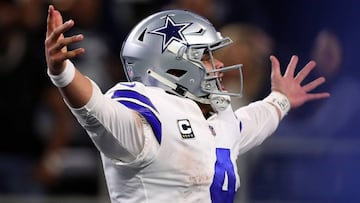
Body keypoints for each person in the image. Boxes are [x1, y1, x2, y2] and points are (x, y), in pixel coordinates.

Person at [44, 4, 329, 203]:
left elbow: (250, 123)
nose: (219, 63)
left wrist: (280, 99)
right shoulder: (147, 115)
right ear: (172, 66)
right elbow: (96, 112)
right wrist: (63, 72)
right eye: (206, 56)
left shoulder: (219, 119)